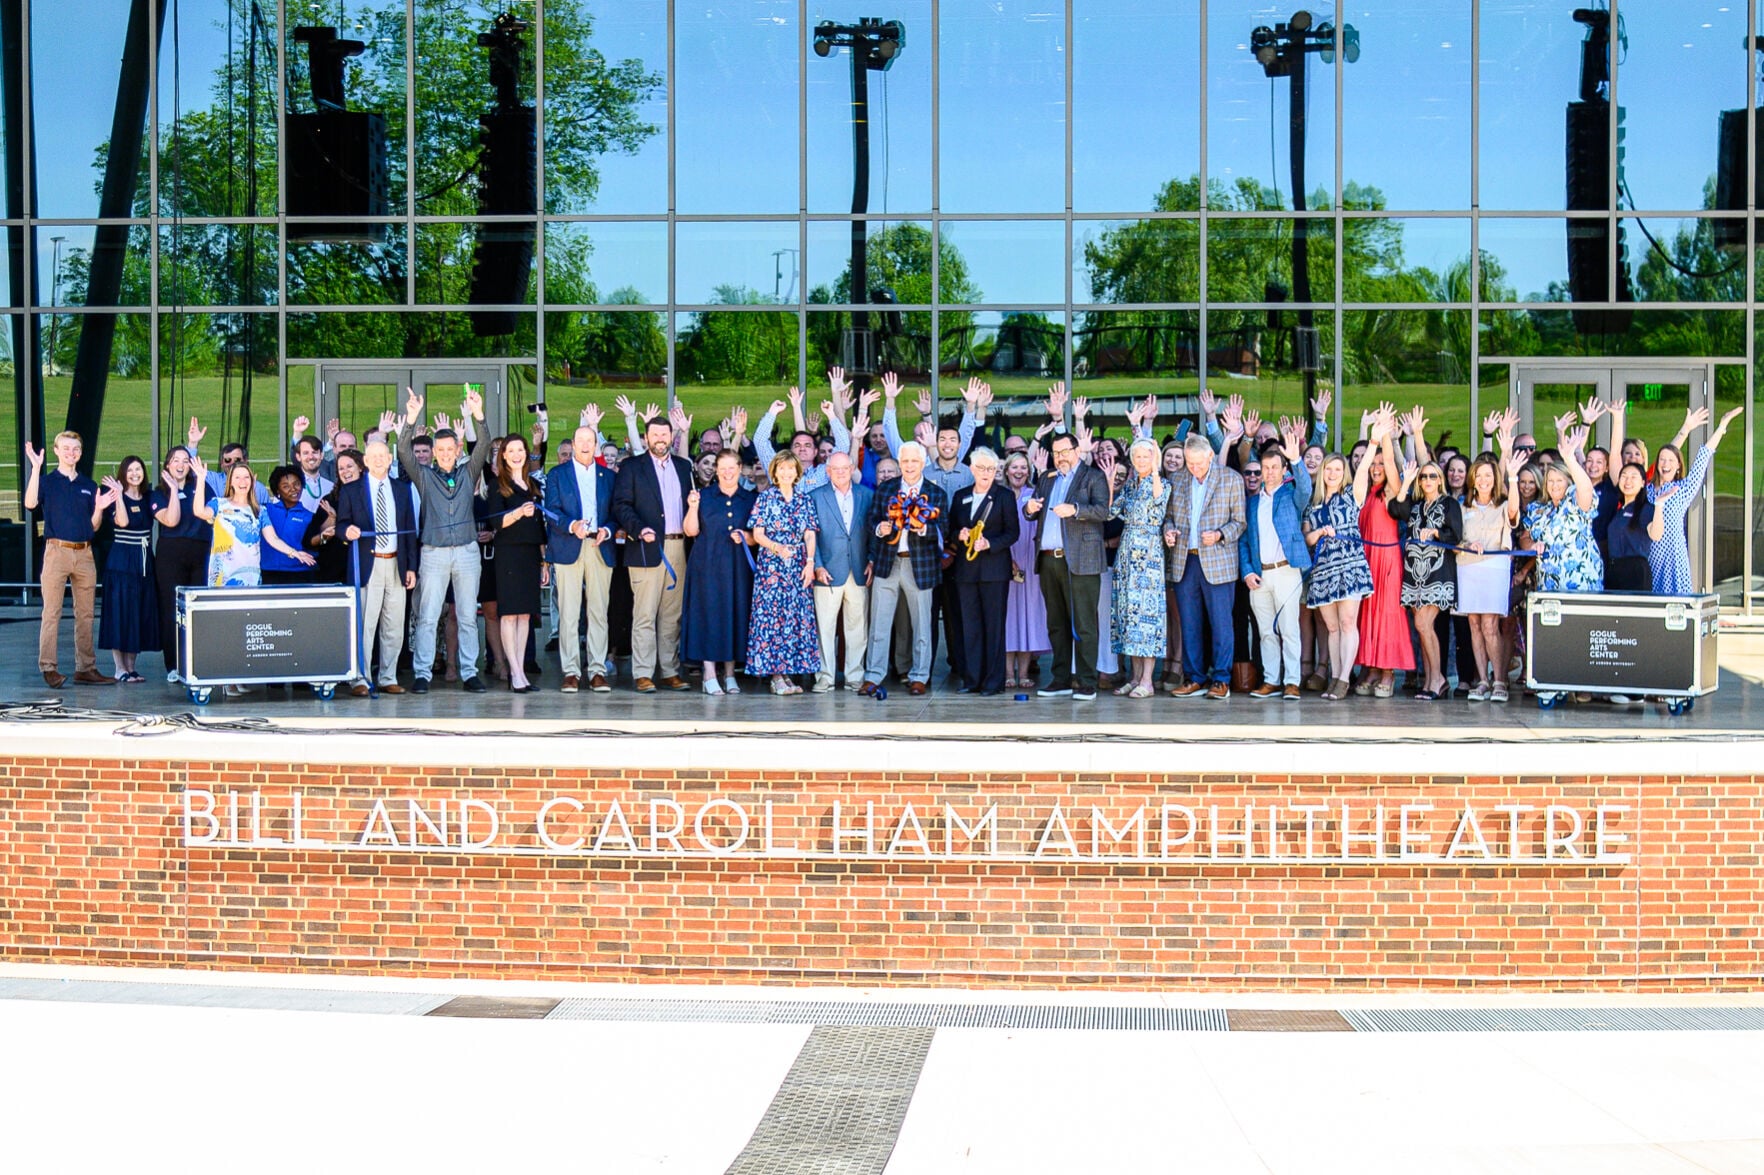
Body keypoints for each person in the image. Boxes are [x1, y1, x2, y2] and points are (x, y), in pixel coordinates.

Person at [397, 386, 490, 693]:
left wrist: (478, 414)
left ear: (458, 449)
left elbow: (484, 444)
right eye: (441, 449)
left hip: (466, 552)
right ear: (434, 452)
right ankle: (422, 673)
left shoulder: (468, 473)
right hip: (434, 553)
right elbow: (403, 451)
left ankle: (469, 672)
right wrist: (411, 418)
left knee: (467, 616)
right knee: (428, 616)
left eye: (451, 449)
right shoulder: (424, 476)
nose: (447, 453)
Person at [1025, 426, 1110, 700]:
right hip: (1049, 560)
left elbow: (1103, 511)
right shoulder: (1047, 478)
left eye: (1065, 451)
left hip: (1081, 560)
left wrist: (1075, 510)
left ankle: (1086, 681)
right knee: (1056, 623)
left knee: (1084, 623)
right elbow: (1032, 512)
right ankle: (1060, 678)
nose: (1060, 456)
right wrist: (1029, 509)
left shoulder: (1093, 476)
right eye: (1056, 452)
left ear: (1077, 451)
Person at [612, 414, 696, 693]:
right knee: (645, 614)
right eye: (655, 435)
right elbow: (621, 504)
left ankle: (670, 671)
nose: (660, 439)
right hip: (646, 546)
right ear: (646, 438)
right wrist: (638, 529)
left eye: (665, 434)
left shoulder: (684, 467)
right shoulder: (632, 467)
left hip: (678, 546)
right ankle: (643, 673)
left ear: (672, 437)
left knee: (672, 614)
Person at [24, 432, 116, 688]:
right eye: (66, 448)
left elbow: (94, 526)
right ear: (56, 451)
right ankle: (48, 667)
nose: (71, 453)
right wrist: (36, 468)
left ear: (81, 453)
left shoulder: (88, 485)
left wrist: (99, 508)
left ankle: (86, 668)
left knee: (85, 613)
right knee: (52, 611)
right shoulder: (47, 481)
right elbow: (30, 503)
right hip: (57, 551)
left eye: (75, 449)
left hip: (84, 553)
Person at [861, 441, 949, 696]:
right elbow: (871, 520)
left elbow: (944, 530)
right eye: (905, 461)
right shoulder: (886, 489)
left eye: (914, 461)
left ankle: (920, 676)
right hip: (887, 563)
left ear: (923, 463)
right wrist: (880, 528)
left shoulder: (935, 493)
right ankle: (873, 675)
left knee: (922, 625)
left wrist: (923, 528)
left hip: (919, 565)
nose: (909, 466)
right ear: (900, 463)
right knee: (879, 624)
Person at [1164, 433, 1247, 700]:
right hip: (1184, 560)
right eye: (1189, 463)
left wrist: (1220, 534)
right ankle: (1194, 678)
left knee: (1221, 624)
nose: (1194, 468)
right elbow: (1168, 517)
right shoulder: (1177, 480)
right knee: (1189, 623)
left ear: (1211, 455)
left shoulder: (1231, 479)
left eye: (1198, 463)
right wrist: (1168, 531)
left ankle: (1221, 679)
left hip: (1218, 561)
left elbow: (1240, 522)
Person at [337, 440, 421, 696]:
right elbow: (341, 525)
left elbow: (409, 531)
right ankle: (360, 679)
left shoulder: (402, 489)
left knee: (394, 625)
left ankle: (388, 677)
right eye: (372, 456)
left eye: (382, 455)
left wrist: (411, 567)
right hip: (368, 566)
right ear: (365, 460)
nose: (378, 460)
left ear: (390, 459)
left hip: (396, 564)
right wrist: (347, 531)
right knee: (365, 625)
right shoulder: (351, 490)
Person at [1238, 425, 1313, 701]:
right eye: (1265, 468)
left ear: (1283, 471)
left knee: (1289, 629)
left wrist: (1296, 460)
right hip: (1260, 575)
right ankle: (1271, 680)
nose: (1269, 472)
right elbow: (1244, 541)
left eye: (1274, 468)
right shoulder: (1252, 502)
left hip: (1286, 570)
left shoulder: (1291, 495)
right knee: (1266, 631)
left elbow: (1306, 489)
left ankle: (1292, 681)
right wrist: (1247, 571)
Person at [1096, 438, 1172, 700]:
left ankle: (1147, 681)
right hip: (1126, 554)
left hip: (1148, 555)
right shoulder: (1129, 486)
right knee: (1128, 617)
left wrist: (1155, 469)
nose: (1141, 461)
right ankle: (1135, 677)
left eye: (1146, 457)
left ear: (1154, 459)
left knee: (1147, 617)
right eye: (1137, 457)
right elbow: (1109, 513)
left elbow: (1157, 501)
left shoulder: (1162, 483)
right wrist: (1109, 484)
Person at [546, 424, 618, 693]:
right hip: (569, 545)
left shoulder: (607, 476)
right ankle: (571, 671)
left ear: (595, 445)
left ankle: (597, 670)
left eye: (590, 440)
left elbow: (616, 512)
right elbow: (551, 511)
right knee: (568, 612)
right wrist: (571, 525)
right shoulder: (558, 474)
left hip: (600, 546)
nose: (586, 445)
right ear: (573, 445)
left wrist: (608, 529)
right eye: (581, 441)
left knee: (598, 611)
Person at [946, 448, 1020, 695]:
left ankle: (993, 682)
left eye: (990, 468)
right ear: (972, 469)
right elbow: (950, 530)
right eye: (981, 468)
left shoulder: (1004, 496)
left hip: (994, 571)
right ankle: (972, 679)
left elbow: (1012, 533)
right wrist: (959, 535)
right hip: (966, 572)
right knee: (970, 627)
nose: (986, 473)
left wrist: (990, 544)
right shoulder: (961, 496)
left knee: (993, 627)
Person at [683, 449, 757, 695]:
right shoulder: (703, 495)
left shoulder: (750, 498)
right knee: (709, 616)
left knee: (733, 615)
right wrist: (692, 507)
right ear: (716, 470)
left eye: (731, 468)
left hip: (737, 566)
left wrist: (746, 536)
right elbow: (690, 531)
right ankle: (709, 674)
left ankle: (730, 674)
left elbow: (757, 536)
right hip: (707, 565)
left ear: (739, 469)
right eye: (722, 468)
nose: (727, 473)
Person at [1648, 405, 1743, 595]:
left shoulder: (1683, 488)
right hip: (1651, 552)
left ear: (1678, 466)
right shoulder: (1648, 489)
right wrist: (1685, 429)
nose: (1666, 464)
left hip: (1674, 552)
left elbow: (1704, 455)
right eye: (1662, 460)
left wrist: (1722, 425)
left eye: (1671, 460)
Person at [746, 453, 821, 694]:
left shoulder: (804, 499)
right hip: (772, 566)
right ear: (775, 472)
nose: (786, 473)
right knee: (773, 618)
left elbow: (810, 533)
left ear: (797, 472)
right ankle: (775, 676)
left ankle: (787, 674)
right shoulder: (766, 498)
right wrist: (777, 548)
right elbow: (757, 534)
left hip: (798, 565)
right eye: (782, 469)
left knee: (794, 618)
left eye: (791, 468)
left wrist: (810, 562)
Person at [1303, 451, 1374, 702]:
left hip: (1349, 567)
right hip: (1323, 571)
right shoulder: (1312, 504)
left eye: (1338, 469)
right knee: (1332, 628)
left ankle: (1344, 678)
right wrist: (1321, 532)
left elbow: (1363, 469)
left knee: (1347, 623)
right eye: (1329, 469)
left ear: (1344, 474)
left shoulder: (1351, 495)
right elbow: (1307, 538)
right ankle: (1334, 676)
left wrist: (1374, 441)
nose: (1333, 474)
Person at [1353, 407, 1414, 698]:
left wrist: (1386, 435)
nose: (1376, 467)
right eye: (1373, 463)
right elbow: (1362, 466)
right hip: (1364, 559)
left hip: (1387, 559)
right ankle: (1372, 667)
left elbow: (1389, 461)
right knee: (1367, 614)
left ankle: (1388, 671)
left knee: (1387, 614)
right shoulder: (1363, 490)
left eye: (1380, 463)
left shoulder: (1390, 489)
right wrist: (1370, 436)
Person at [1390, 459, 1462, 701]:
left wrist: (1435, 532)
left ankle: (1438, 678)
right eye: (1423, 476)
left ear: (1440, 479)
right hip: (1413, 573)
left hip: (1438, 572)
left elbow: (1455, 535)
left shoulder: (1449, 503)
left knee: (1423, 624)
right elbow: (1395, 509)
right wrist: (1406, 482)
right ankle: (1432, 680)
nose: (1427, 480)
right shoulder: (1416, 505)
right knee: (1423, 629)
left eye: (1432, 476)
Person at [482, 435, 548, 693]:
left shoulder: (533, 485)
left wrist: (544, 561)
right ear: (504, 456)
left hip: (531, 555)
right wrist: (519, 512)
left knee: (525, 614)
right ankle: (515, 672)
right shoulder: (498, 485)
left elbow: (540, 528)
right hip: (509, 554)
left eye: (520, 450)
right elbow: (496, 522)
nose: (517, 455)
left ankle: (520, 670)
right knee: (510, 613)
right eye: (511, 451)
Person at [809, 451, 872, 693]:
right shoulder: (815, 497)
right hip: (827, 572)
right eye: (835, 469)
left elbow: (873, 531)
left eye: (845, 468)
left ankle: (854, 676)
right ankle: (825, 677)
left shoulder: (866, 495)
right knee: (824, 628)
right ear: (828, 471)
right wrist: (817, 565)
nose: (841, 472)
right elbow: (810, 535)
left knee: (857, 627)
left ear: (852, 468)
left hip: (858, 569)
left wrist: (872, 560)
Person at [1455, 454, 1516, 702]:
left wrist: (1513, 475)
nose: (1483, 480)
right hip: (1467, 568)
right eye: (1479, 475)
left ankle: (1499, 680)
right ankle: (1482, 680)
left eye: (1488, 475)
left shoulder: (1503, 505)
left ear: (1495, 479)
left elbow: (1513, 513)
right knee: (1474, 625)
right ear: (1472, 479)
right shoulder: (1463, 507)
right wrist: (1468, 545)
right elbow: (1455, 539)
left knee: (1490, 625)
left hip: (1494, 569)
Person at [99, 455, 160, 684]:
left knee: (139, 612)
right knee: (120, 613)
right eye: (130, 470)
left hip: (144, 561)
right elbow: (122, 522)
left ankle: (132, 667)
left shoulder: (148, 497)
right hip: (122, 561)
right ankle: (119, 668)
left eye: (138, 469)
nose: (135, 474)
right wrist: (119, 496)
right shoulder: (115, 496)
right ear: (123, 474)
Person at [151, 445, 208, 682]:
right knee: (171, 608)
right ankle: (173, 664)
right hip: (171, 551)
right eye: (176, 460)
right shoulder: (158, 492)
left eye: (185, 460)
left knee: (198, 607)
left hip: (200, 550)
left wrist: (201, 480)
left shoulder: (202, 486)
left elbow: (210, 513)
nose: (181, 465)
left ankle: (197, 661)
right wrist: (174, 490)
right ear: (168, 465)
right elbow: (170, 521)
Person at [1002, 451, 1050, 690]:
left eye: (1023, 467)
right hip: (1004, 562)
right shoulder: (1000, 495)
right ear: (1006, 471)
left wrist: (1042, 473)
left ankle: (1023, 673)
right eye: (1014, 467)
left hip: (1030, 564)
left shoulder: (1035, 495)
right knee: (1008, 618)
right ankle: (1007, 673)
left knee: (1028, 617)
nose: (1019, 472)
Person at [259, 466, 317, 586]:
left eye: (296, 484)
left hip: (300, 574)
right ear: (277, 491)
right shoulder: (265, 510)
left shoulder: (310, 516)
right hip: (268, 573)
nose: (293, 489)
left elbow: (315, 545)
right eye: (286, 486)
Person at [1605, 462, 1654, 592]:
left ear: (1643, 483)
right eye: (1624, 476)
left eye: (1633, 477)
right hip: (1614, 569)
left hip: (1635, 572)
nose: (1628, 481)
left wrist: (1660, 506)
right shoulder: (1618, 511)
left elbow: (1656, 534)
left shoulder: (1646, 509)